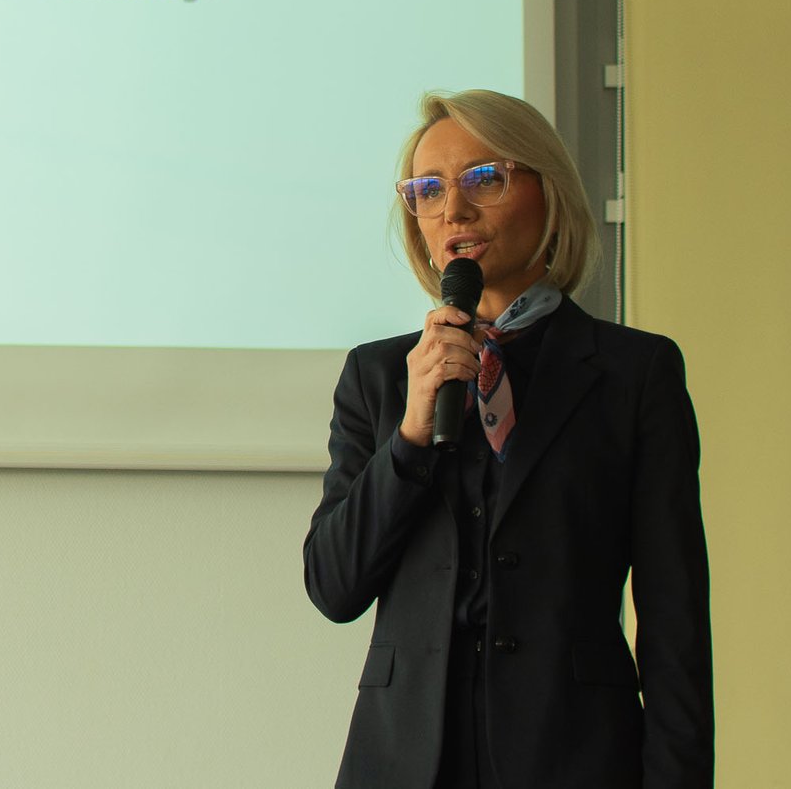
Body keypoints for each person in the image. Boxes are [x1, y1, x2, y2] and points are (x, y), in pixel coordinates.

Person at [302, 89, 712, 789]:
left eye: (483, 178)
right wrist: (410, 434)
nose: (454, 210)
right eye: (429, 191)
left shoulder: (634, 373)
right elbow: (334, 586)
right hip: (405, 762)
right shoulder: (379, 376)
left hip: (575, 755)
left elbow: (676, 619)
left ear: (548, 192)